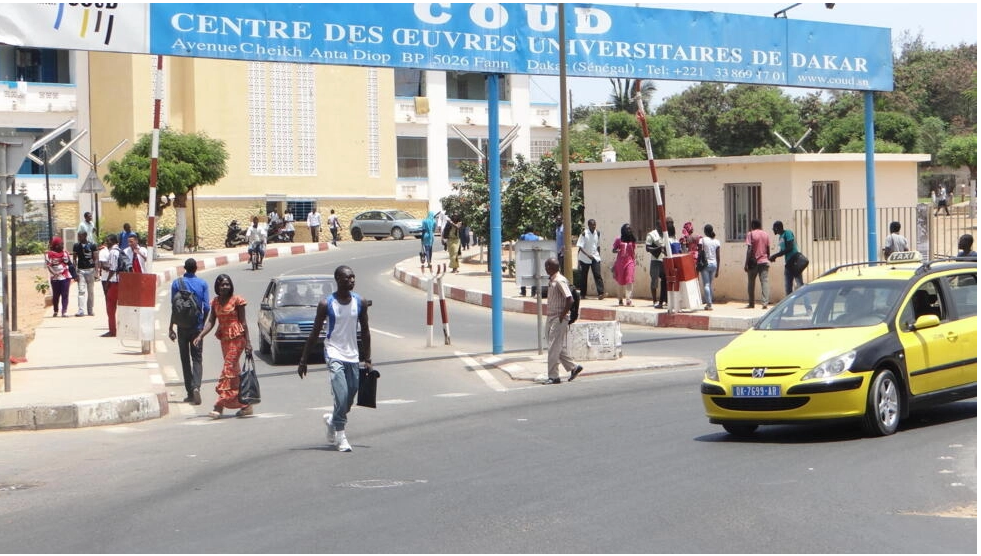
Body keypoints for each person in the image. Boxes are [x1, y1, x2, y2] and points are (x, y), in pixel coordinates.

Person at [298, 265, 372, 452]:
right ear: (338, 280)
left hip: (353, 355)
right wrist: (303, 360)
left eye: (353, 277)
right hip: (333, 353)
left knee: (350, 397)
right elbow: (315, 332)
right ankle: (342, 436)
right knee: (341, 393)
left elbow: (365, 330)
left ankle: (332, 420)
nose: (352, 281)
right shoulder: (327, 304)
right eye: (347, 278)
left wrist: (368, 358)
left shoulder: (360, 302)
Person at [193, 274, 254, 419]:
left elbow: (243, 322)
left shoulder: (237, 300)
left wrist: (248, 343)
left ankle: (218, 406)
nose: (225, 287)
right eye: (222, 285)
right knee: (234, 373)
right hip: (224, 340)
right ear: (217, 287)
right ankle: (246, 405)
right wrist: (201, 335)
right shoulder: (215, 302)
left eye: (227, 284)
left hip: (237, 339)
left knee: (227, 369)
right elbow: (211, 322)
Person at [169, 258, 210, 406]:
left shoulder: (176, 283)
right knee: (197, 358)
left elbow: (174, 307)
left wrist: (170, 328)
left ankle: (189, 392)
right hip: (197, 327)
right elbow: (207, 308)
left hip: (181, 327)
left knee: (185, 359)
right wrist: (202, 324)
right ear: (196, 269)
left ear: (185, 269)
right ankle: (196, 387)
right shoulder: (202, 284)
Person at [542, 257, 583, 385]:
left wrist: (562, 316)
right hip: (551, 317)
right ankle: (573, 367)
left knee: (553, 348)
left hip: (558, 318)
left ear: (551, 267)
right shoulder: (553, 280)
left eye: (547, 266)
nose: (545, 269)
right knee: (555, 346)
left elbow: (569, 299)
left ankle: (554, 376)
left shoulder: (559, 280)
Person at [768, 221, 805, 298]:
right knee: (788, 288)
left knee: (800, 285)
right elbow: (783, 250)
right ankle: (789, 308)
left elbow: (790, 247)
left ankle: (808, 308)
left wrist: (775, 255)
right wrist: (775, 257)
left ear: (777, 228)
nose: (773, 230)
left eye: (774, 228)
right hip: (788, 264)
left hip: (795, 263)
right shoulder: (780, 237)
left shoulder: (788, 233)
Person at [576, 218, 605, 300]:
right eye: (592, 225)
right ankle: (582, 294)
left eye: (595, 224)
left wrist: (598, 255)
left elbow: (598, 245)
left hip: (595, 257)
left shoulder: (598, 233)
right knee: (584, 276)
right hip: (584, 258)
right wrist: (588, 255)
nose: (594, 226)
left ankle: (601, 293)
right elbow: (580, 247)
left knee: (597, 275)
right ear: (588, 225)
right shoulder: (584, 233)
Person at [744, 219, 770, 309]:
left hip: (753, 263)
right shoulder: (766, 234)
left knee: (751, 283)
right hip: (764, 261)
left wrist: (746, 263)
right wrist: (767, 258)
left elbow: (749, 249)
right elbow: (768, 248)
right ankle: (765, 303)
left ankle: (751, 303)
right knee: (764, 282)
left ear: (753, 225)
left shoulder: (750, 234)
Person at [72, 230, 98, 317]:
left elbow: (96, 259)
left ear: (85, 236)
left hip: (90, 270)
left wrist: (96, 272)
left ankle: (90, 310)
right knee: (81, 290)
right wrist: (75, 272)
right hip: (81, 271)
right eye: (78, 236)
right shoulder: (76, 246)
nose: (79, 238)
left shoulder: (92, 245)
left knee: (90, 292)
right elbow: (74, 259)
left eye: (80, 236)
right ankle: (81, 310)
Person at [45, 237, 73, 318]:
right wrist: (54, 273)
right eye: (61, 244)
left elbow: (69, 264)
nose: (63, 246)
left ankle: (64, 311)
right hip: (55, 278)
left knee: (65, 294)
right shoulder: (49, 254)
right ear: (56, 246)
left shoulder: (65, 253)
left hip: (65, 276)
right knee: (56, 295)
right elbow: (49, 266)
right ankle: (55, 310)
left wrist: (74, 275)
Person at [611, 223, 637, 306]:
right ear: (623, 230)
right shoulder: (619, 239)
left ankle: (628, 299)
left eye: (630, 229)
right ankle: (620, 299)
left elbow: (633, 251)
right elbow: (613, 250)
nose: (629, 230)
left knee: (629, 280)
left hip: (630, 262)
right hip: (620, 263)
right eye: (627, 229)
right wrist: (617, 250)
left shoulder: (632, 239)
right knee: (620, 281)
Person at [699, 224, 721, 310]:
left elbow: (700, 251)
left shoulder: (702, 240)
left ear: (705, 231)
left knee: (706, 284)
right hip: (714, 264)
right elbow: (718, 257)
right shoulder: (717, 242)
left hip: (705, 264)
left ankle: (709, 304)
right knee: (710, 284)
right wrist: (718, 269)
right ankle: (710, 301)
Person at [102, 234, 121, 337]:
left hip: (114, 283)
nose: (107, 243)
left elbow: (113, 269)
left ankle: (112, 330)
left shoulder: (113, 252)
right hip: (121, 282)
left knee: (110, 308)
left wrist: (107, 282)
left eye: (108, 241)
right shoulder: (120, 251)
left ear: (113, 241)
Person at [644, 225, 666, 308]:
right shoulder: (652, 235)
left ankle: (664, 300)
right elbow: (647, 248)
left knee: (665, 280)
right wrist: (658, 248)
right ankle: (654, 300)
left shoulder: (665, 234)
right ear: (658, 226)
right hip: (655, 260)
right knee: (654, 280)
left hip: (665, 259)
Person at [518, 226, 543, 297]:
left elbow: (520, 244)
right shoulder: (536, 238)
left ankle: (523, 291)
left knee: (523, 274)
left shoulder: (523, 236)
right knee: (534, 274)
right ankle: (533, 292)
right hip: (534, 258)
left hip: (524, 258)